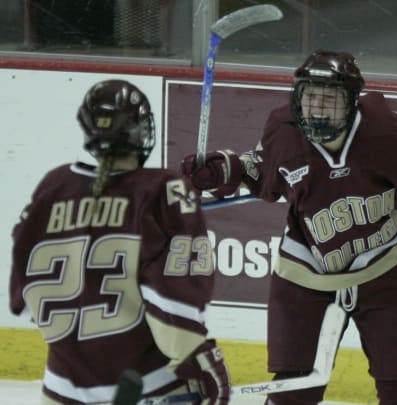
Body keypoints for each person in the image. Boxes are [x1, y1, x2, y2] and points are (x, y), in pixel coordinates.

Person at [180, 50, 397, 405]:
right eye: (310, 97)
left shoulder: (382, 130)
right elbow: (260, 171)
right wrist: (224, 169)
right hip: (306, 273)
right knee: (293, 392)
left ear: (351, 102)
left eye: (329, 99)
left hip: (387, 269)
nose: (316, 109)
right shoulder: (284, 133)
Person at [9, 79, 231, 404]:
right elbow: (175, 311)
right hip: (146, 387)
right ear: (141, 132)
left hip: (61, 390)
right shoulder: (165, 190)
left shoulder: (52, 187)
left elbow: (22, 297)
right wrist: (198, 357)